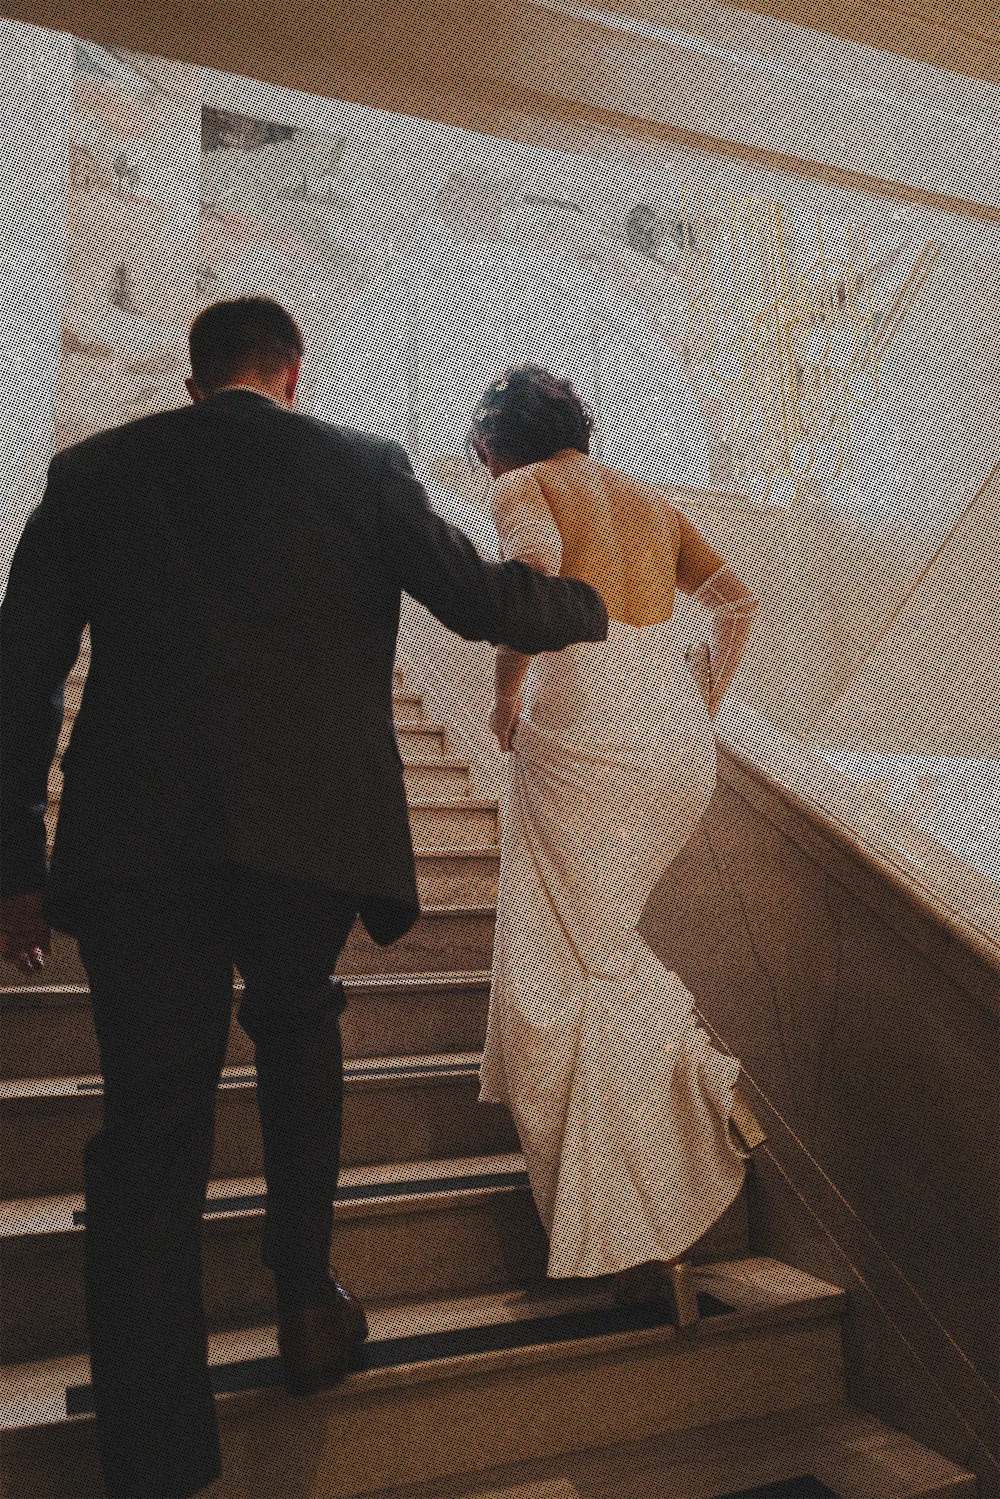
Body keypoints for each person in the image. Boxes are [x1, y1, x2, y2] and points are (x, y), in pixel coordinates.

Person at [0, 302, 608, 1499]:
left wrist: (16, 858)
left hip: (137, 847)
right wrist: (596, 599)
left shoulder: (91, 472)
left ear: (191, 382)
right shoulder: (359, 463)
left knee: (149, 1126)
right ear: (292, 372)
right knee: (297, 1025)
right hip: (309, 834)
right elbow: (482, 601)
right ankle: (306, 1301)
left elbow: (18, 672)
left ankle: (156, 1452)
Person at [469, 366, 759, 1324]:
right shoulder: (653, 500)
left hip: (582, 718)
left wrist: (506, 694)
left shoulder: (525, 485)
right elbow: (741, 604)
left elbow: (534, 576)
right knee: (594, 950)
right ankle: (645, 1209)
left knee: (553, 969)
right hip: (672, 735)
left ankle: (693, 1100)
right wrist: (697, 704)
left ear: (498, 444)